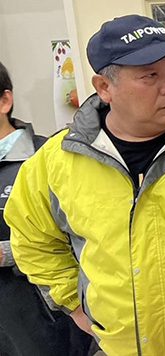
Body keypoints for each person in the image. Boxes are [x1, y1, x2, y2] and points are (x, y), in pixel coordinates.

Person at [3, 15, 165, 355]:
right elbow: (32, 238)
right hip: (116, 348)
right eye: (150, 75)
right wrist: (74, 304)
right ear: (104, 87)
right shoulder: (58, 160)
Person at [0, 62, 95, 356]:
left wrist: (6, 253)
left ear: (5, 101)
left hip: (42, 323)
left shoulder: (47, 159)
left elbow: (79, 235)